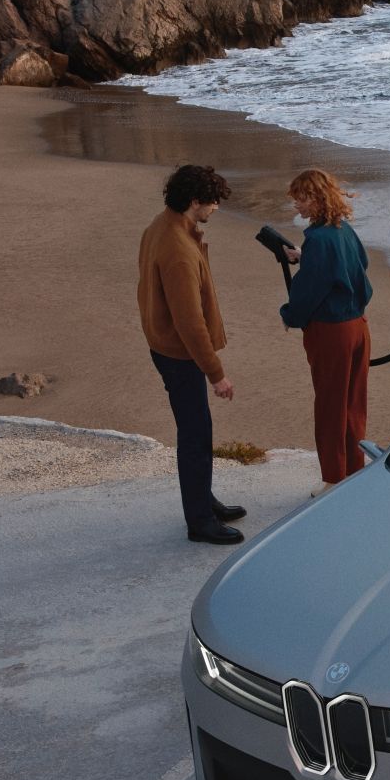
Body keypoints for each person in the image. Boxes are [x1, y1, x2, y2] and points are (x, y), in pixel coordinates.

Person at [140, 164, 247, 544]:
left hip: (166, 347)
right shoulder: (178, 249)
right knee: (196, 437)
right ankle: (200, 522)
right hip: (179, 354)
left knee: (196, 432)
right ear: (195, 201)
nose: (216, 207)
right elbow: (190, 322)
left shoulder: (162, 225)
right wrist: (216, 374)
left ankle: (204, 501)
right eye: (213, 201)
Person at [278, 168, 375, 485]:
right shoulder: (343, 230)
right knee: (353, 405)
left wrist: (289, 315)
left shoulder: (318, 239)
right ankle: (353, 473)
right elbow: (359, 265)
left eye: (302, 198)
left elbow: (307, 293)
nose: (297, 204)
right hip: (358, 326)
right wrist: (305, 257)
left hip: (332, 331)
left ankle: (333, 480)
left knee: (330, 408)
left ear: (319, 199)